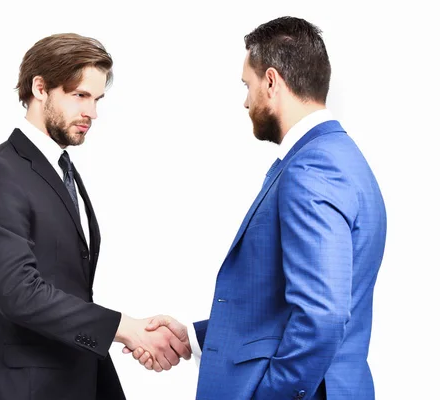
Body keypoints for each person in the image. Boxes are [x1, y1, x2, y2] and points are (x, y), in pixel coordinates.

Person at [129, 16, 387, 400]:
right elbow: (283, 305)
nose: (246, 100)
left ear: (271, 81)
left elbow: (323, 316)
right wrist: (196, 338)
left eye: (247, 85)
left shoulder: (314, 167)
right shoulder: (342, 157)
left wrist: (270, 395)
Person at [0, 33, 190, 400]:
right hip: (24, 389)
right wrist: (126, 328)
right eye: (80, 95)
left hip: (82, 377)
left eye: (97, 100)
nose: (92, 113)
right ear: (40, 88)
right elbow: (18, 292)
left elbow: (67, 284)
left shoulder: (63, 170)